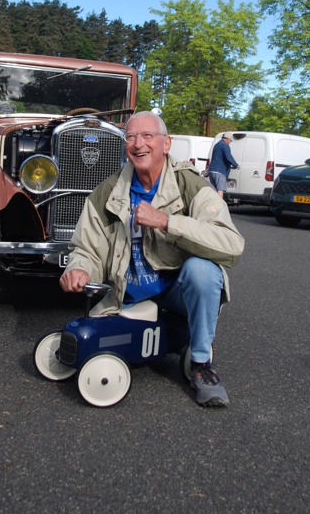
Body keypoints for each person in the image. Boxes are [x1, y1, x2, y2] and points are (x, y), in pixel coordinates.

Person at [60, 112, 244, 407]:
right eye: (130, 137)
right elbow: (86, 249)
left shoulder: (191, 185)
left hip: (176, 291)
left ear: (166, 144)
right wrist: (79, 268)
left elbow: (232, 244)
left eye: (148, 136)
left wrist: (166, 221)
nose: (138, 144)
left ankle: (200, 364)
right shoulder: (107, 192)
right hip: (126, 294)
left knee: (204, 271)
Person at [208, 132, 240, 199]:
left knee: (214, 190)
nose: (230, 142)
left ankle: (213, 205)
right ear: (227, 139)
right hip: (220, 171)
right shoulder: (225, 145)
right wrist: (236, 165)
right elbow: (228, 156)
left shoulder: (217, 145)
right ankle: (220, 206)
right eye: (230, 140)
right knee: (220, 190)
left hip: (212, 170)